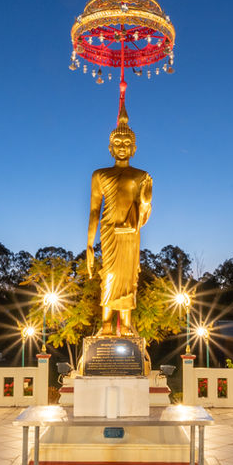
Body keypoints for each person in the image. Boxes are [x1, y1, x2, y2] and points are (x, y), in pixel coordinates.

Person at [86, 112, 153, 336]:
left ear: (134, 149)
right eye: (117, 143)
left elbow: (143, 212)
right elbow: (94, 210)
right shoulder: (100, 175)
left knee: (129, 277)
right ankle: (106, 324)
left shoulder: (141, 176)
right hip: (109, 232)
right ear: (110, 148)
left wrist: (146, 197)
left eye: (127, 143)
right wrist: (89, 245)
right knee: (110, 274)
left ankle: (125, 325)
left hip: (130, 234)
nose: (122, 147)